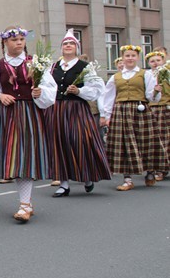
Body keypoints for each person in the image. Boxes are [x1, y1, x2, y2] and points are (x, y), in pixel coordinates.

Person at [0, 27, 56, 222]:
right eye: (14, 40)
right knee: (15, 158)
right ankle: (26, 203)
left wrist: (40, 93)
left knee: (25, 157)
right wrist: (0, 95)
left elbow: (49, 88)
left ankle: (24, 204)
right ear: (5, 42)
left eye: (21, 39)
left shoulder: (35, 63)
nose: (19, 42)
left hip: (30, 113)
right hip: (9, 115)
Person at [46, 30, 111, 197]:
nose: (68, 46)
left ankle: (87, 176)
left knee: (79, 141)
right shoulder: (52, 67)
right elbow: (46, 87)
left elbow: (97, 88)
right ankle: (64, 183)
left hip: (76, 109)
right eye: (65, 43)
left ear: (77, 47)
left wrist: (79, 91)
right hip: (57, 109)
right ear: (61, 48)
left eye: (72, 43)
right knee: (59, 143)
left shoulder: (84, 66)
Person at [100, 45, 168, 190]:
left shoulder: (145, 74)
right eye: (127, 56)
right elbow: (108, 97)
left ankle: (150, 171)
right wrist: (106, 115)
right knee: (123, 144)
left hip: (140, 111)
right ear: (123, 58)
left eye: (132, 56)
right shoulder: (115, 77)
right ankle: (127, 179)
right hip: (121, 111)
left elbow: (151, 97)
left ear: (137, 58)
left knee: (145, 141)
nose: (130, 58)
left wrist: (156, 92)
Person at [146, 50, 168, 181]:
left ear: (163, 61)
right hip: (151, 108)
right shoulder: (147, 75)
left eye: (158, 60)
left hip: (165, 108)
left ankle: (163, 169)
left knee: (165, 138)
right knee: (154, 139)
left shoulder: (167, 73)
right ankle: (156, 168)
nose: (155, 63)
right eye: (152, 61)